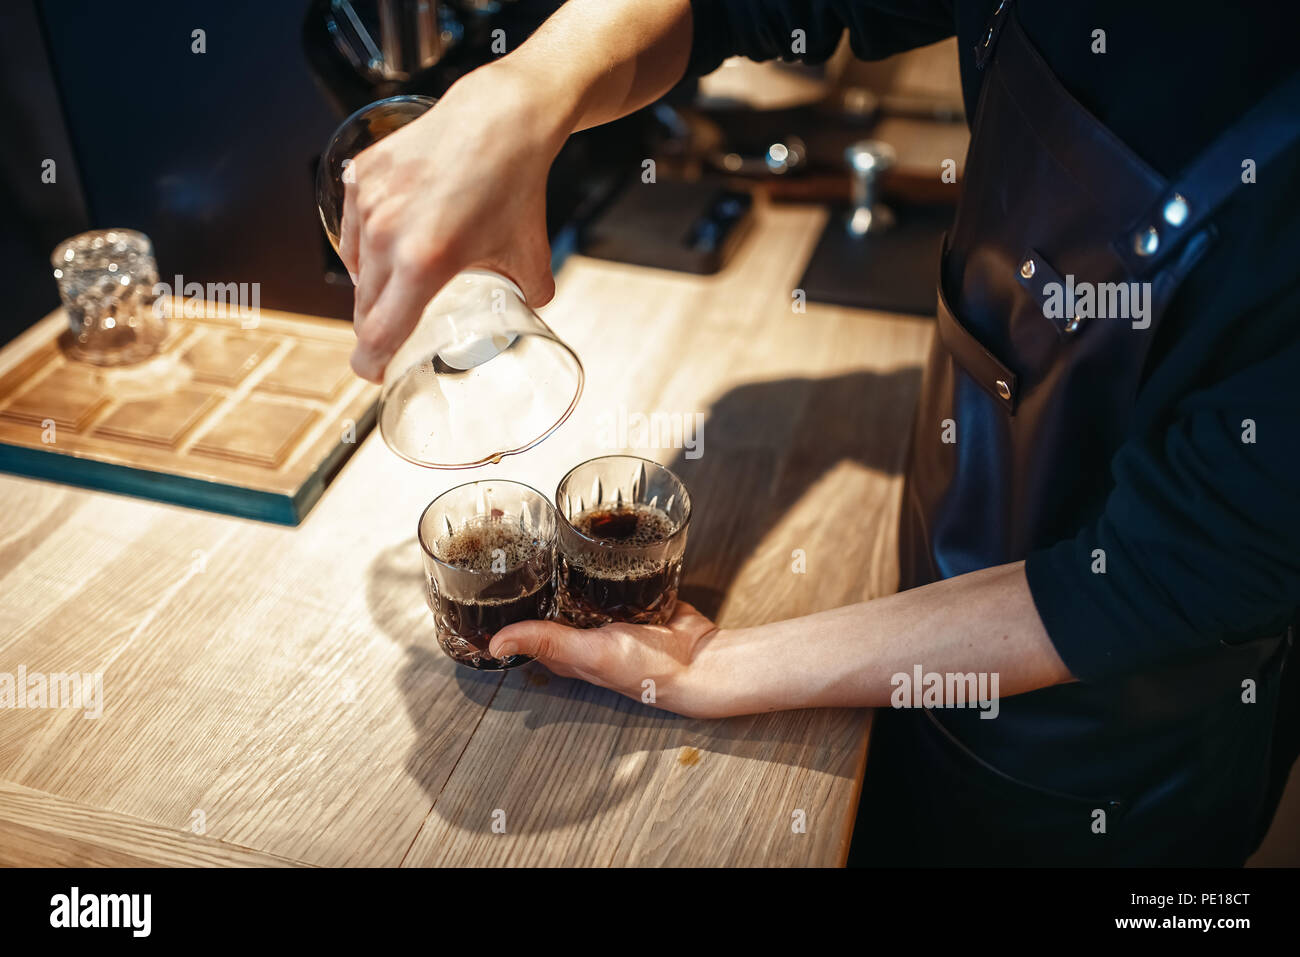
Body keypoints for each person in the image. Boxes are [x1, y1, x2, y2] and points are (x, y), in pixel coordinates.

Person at [339, 0, 1300, 865]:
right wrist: (526, 92)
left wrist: (714, 668)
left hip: (1113, 754)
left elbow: (1148, 578)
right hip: (946, 540)